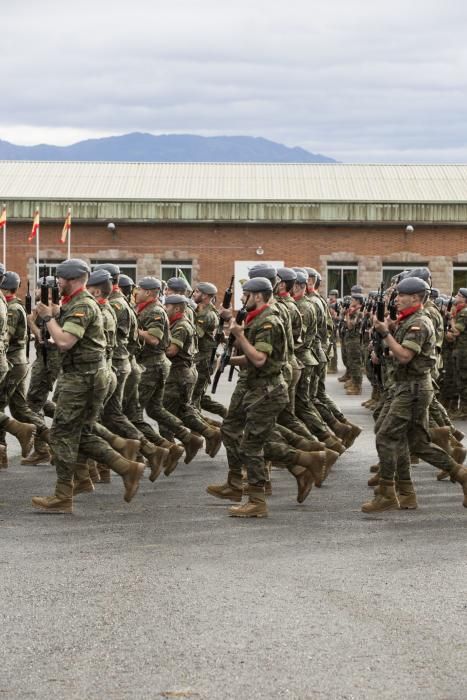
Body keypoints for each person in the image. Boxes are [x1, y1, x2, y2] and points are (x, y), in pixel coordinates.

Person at [31, 258, 144, 513]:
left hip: (82, 379)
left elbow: (65, 342)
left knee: (61, 434)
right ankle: (127, 468)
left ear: (70, 279)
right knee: (81, 432)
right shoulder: (79, 304)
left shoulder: (83, 305)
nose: (57, 283)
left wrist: (49, 318)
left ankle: (63, 495)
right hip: (90, 377)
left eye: (60, 278)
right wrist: (57, 315)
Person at [362, 276, 467, 513]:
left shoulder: (419, 323)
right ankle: (421, 487)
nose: (396, 299)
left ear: (416, 298)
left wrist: (385, 333)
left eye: (401, 295)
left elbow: (405, 356)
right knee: (417, 444)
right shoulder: (408, 320)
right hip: (408, 388)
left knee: (386, 436)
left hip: (413, 390)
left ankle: (388, 493)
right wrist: (388, 329)